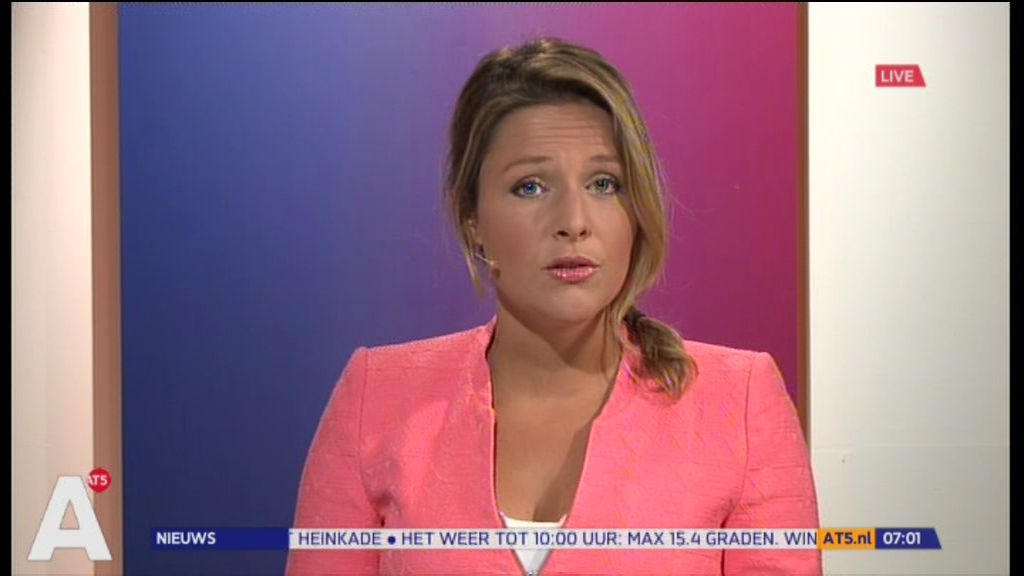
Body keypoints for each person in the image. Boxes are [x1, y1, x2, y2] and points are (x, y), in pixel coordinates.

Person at [286, 36, 821, 576]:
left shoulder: (740, 402)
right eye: (531, 187)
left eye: (604, 183)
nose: (573, 221)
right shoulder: (377, 396)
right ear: (473, 220)